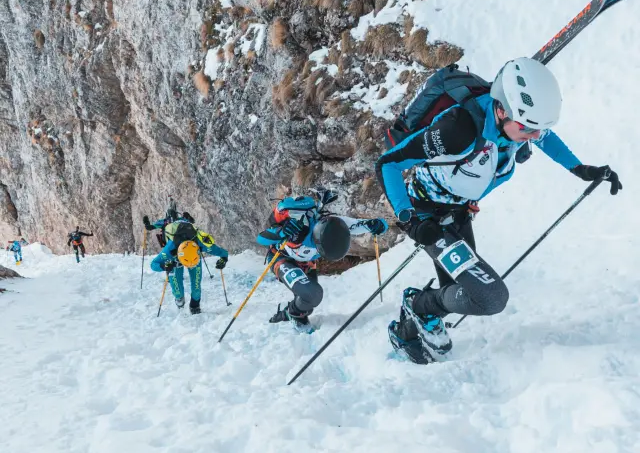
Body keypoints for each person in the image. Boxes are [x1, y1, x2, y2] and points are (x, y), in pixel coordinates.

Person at [376, 57, 621, 364]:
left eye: (538, 129)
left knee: (457, 293)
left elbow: (545, 137)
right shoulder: (458, 130)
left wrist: (581, 169)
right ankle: (419, 305)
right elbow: (389, 163)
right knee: (487, 297)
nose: (535, 136)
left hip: (458, 210)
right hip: (429, 217)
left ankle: (414, 322)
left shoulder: (517, 123)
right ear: (502, 109)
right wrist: (410, 220)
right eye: (528, 128)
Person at [257, 192, 388, 331]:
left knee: (308, 304)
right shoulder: (301, 225)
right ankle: (292, 314)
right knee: (312, 295)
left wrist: (378, 225)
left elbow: (357, 225)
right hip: (281, 258)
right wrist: (282, 232)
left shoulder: (333, 224)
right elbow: (261, 239)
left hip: (306, 263)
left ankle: (288, 313)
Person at [150, 218, 228, 314]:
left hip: (194, 256)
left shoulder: (200, 243)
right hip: (175, 259)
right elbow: (153, 264)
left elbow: (221, 252)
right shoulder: (170, 248)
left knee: (196, 285)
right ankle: (179, 298)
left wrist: (224, 259)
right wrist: (164, 266)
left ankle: (195, 305)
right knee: (177, 290)